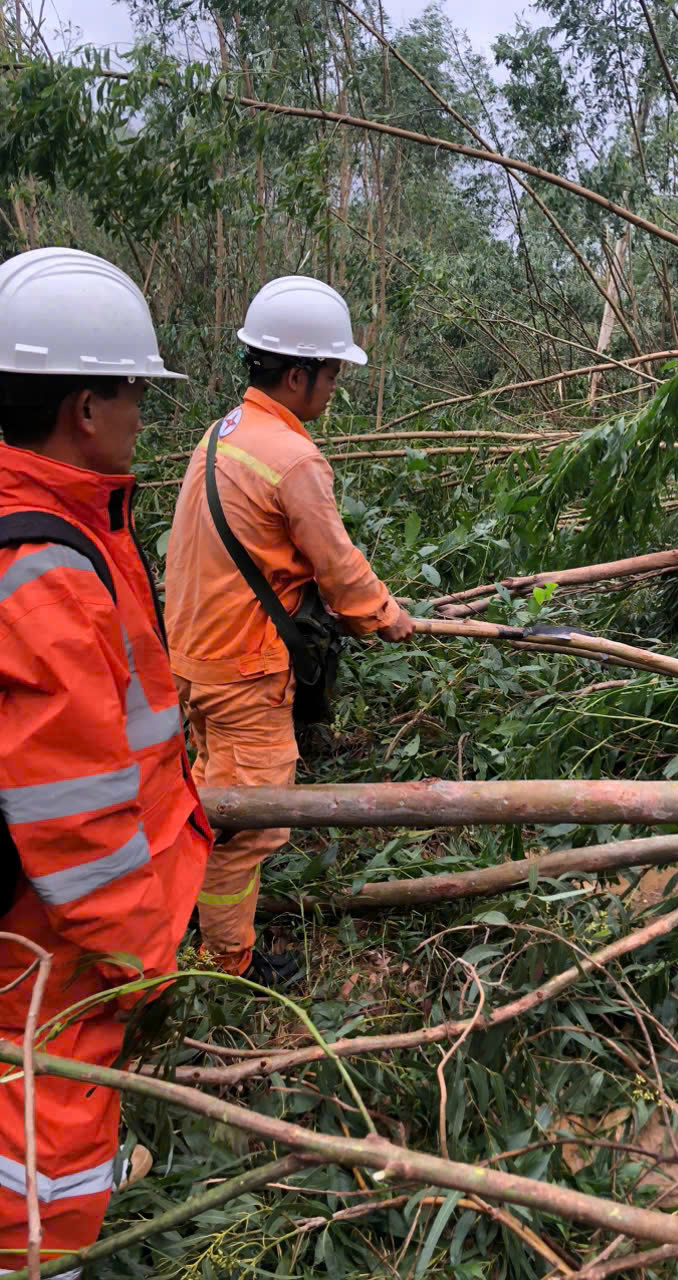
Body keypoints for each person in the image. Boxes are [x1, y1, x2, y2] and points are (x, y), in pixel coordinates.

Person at [0, 247, 212, 1277]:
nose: (143, 413)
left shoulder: (67, 522)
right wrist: (139, 958)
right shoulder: (45, 567)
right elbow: (75, 815)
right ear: (86, 405)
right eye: (135, 391)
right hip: (56, 944)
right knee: (41, 1129)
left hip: (58, 924)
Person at [164, 276, 413, 984]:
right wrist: (387, 618)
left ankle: (192, 916)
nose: (334, 387)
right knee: (252, 825)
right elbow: (339, 568)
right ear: (298, 372)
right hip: (243, 672)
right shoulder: (294, 458)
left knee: (208, 801)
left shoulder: (223, 434)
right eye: (331, 372)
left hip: (192, 660)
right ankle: (227, 966)